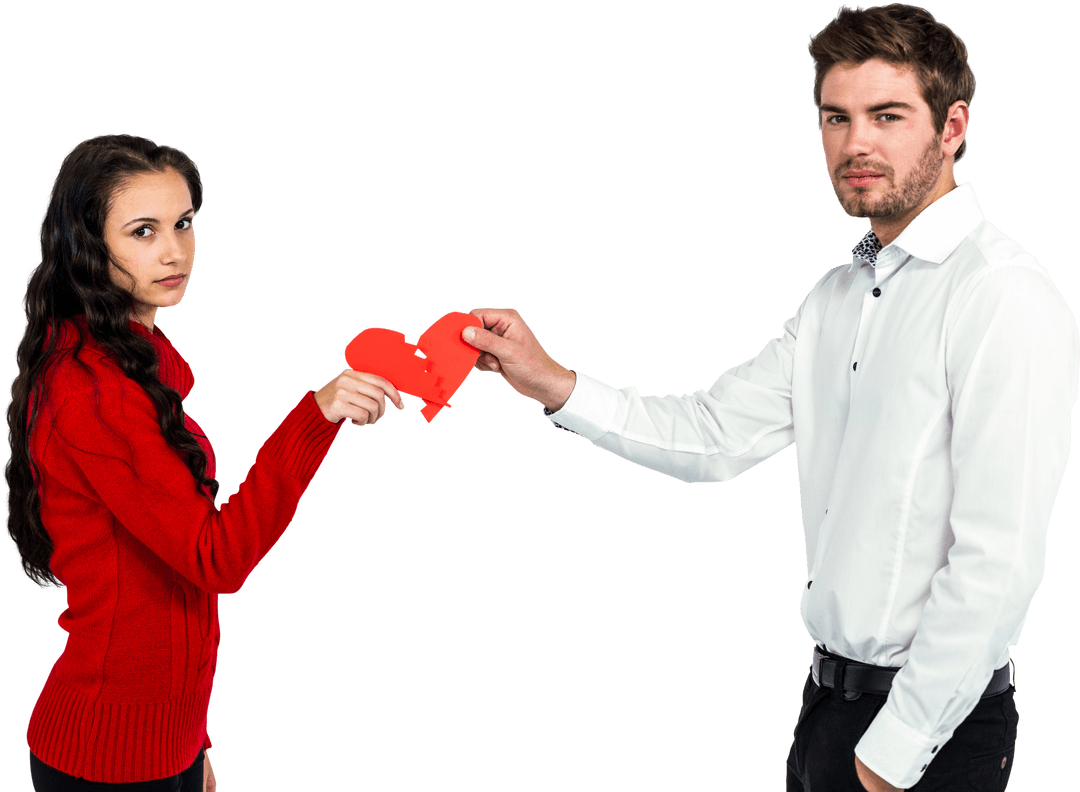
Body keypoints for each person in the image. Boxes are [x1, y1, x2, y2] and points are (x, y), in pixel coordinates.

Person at [459, 5, 1078, 791]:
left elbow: (998, 560)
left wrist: (892, 756)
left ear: (952, 126)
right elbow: (712, 437)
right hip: (824, 708)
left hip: (925, 737)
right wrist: (550, 382)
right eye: (836, 117)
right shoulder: (838, 296)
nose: (856, 143)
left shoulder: (1003, 297)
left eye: (888, 116)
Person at [3, 134, 406, 791]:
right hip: (105, 762)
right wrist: (316, 416)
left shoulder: (132, 362)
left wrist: (191, 743)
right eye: (143, 231)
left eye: (184, 223)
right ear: (87, 244)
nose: (175, 251)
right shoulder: (92, 392)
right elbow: (214, 558)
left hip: (165, 747)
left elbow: (162, 587)